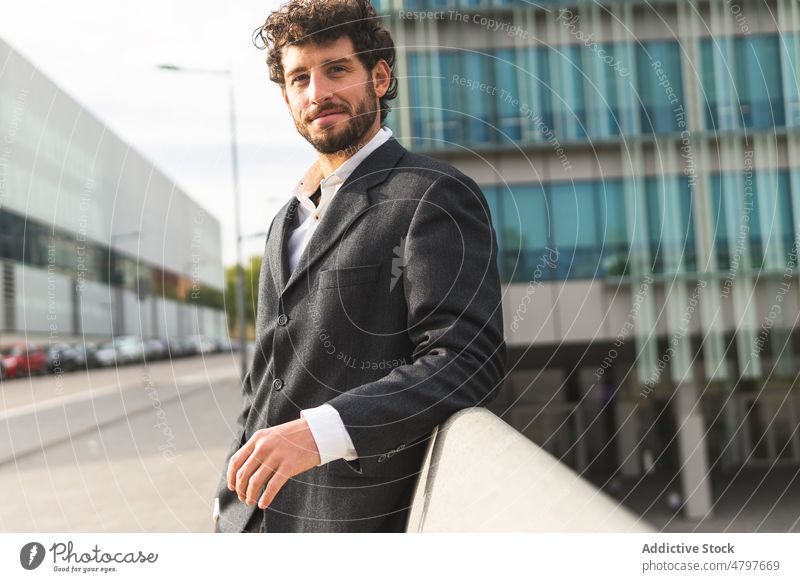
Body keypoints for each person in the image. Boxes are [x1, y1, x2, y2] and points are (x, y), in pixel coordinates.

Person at [214, 0, 506, 533]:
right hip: (249, 526)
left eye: (336, 70)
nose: (317, 93)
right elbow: (264, 379)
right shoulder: (286, 219)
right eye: (299, 78)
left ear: (379, 76)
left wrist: (318, 433)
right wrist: (226, 504)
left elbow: (466, 360)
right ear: (286, 97)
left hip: (349, 525)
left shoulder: (433, 195)